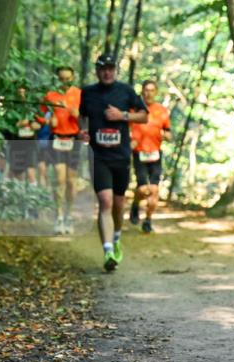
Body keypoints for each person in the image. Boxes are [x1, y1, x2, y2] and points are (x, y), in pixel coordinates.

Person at [79, 54, 148, 271]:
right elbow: (82, 116)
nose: (107, 72)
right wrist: (82, 131)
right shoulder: (88, 93)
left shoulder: (126, 91)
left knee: (118, 205)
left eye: (110, 68)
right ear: (97, 71)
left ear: (115, 70)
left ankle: (116, 238)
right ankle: (108, 250)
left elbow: (144, 116)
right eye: (103, 69)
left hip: (121, 156)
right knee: (105, 201)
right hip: (98, 157)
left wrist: (122, 115)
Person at [42, 66, 83, 234]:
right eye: (62, 79)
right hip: (57, 139)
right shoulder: (50, 95)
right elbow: (39, 114)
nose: (65, 82)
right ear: (57, 79)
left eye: (68, 78)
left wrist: (77, 115)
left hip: (74, 139)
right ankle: (58, 217)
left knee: (71, 182)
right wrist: (48, 120)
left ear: (73, 77)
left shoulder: (80, 94)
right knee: (60, 179)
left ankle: (69, 214)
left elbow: (88, 118)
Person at [129, 79, 172, 233]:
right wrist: (129, 141)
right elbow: (124, 128)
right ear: (142, 92)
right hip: (139, 153)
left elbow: (168, 132)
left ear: (156, 92)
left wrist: (165, 135)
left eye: (152, 90)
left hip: (155, 154)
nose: (149, 93)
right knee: (142, 190)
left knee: (153, 190)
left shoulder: (162, 110)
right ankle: (135, 204)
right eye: (146, 90)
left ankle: (148, 220)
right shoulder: (134, 110)